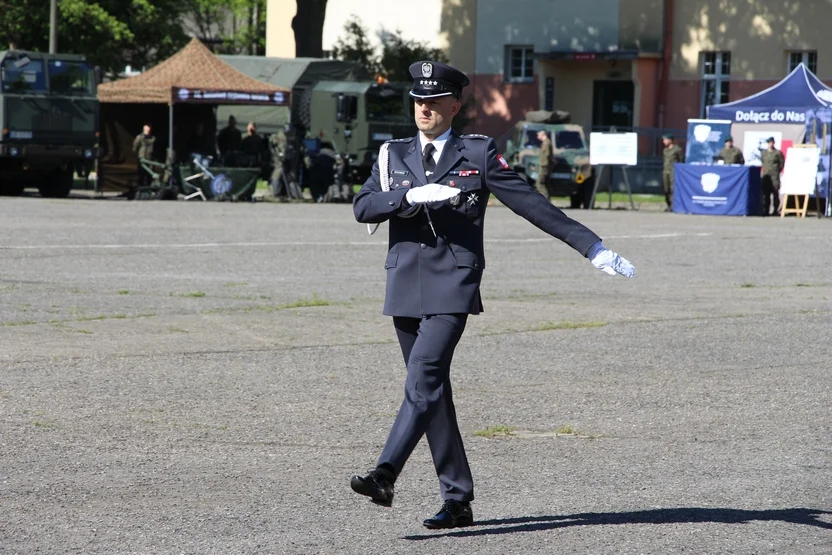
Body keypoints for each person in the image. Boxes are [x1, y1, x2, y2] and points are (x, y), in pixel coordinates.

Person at [350, 60, 636, 530]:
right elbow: (362, 207)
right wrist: (408, 198)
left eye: (434, 101)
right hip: (403, 285)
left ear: (454, 106)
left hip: (452, 285)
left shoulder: (476, 153)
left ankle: (385, 473)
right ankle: (458, 499)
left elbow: (531, 203)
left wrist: (590, 246)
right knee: (432, 393)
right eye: (418, 101)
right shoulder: (392, 155)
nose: (423, 109)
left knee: (421, 381)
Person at [761, 137, 785, 215]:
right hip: (766, 176)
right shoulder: (764, 153)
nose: (770, 144)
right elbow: (763, 162)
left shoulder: (777, 153)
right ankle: (766, 210)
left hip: (774, 176)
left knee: (775, 193)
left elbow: (782, 163)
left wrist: (777, 170)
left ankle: (775, 210)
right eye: (769, 143)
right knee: (766, 194)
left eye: (771, 142)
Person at [661, 133, 685, 211]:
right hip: (666, 171)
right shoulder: (665, 150)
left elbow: (681, 160)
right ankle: (668, 204)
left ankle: (673, 206)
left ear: (670, 140)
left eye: (665, 140)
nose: (663, 141)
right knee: (666, 189)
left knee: (673, 189)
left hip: (673, 171)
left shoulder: (677, 149)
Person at [132, 124, 155, 188]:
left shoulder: (153, 138)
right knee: (142, 173)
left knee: (150, 173)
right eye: (146, 129)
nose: (148, 130)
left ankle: (148, 186)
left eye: (148, 129)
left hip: (150, 158)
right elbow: (135, 146)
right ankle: (141, 186)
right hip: (142, 157)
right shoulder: (140, 137)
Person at [536, 129, 552, 198]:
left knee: (539, 183)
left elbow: (547, 154)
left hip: (544, 166)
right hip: (544, 165)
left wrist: (544, 164)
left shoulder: (547, 143)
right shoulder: (545, 143)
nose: (537, 136)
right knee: (545, 183)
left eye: (538, 135)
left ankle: (546, 198)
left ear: (543, 135)